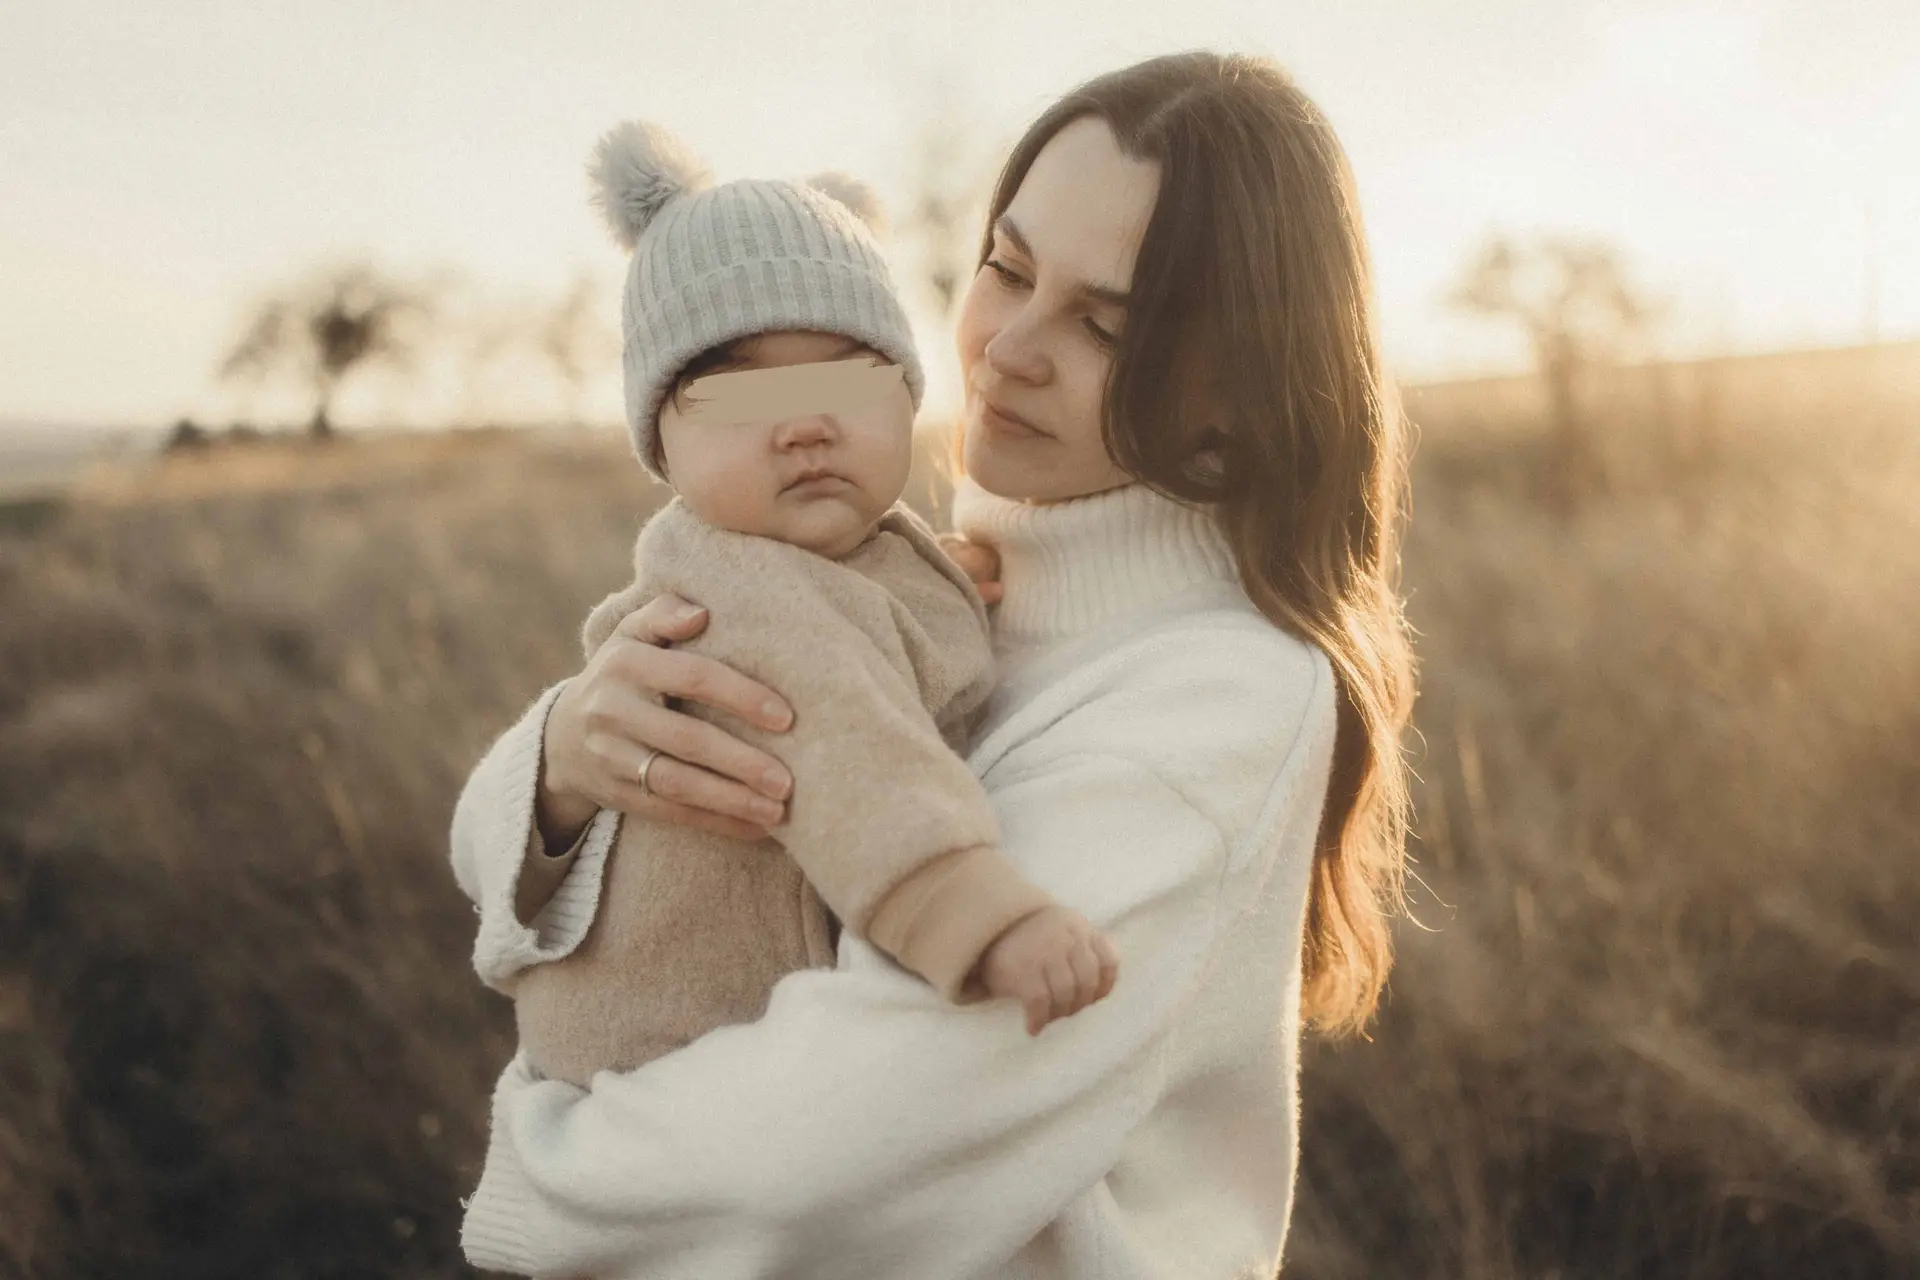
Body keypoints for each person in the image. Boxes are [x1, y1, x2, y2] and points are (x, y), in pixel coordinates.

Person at [449, 48, 1416, 1279]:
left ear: (1239, 387)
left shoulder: (1214, 699)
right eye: (1006, 268)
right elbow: (489, 861)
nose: (1008, 349)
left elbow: (830, 1158)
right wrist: (563, 763)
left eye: (1103, 324)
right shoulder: (918, 580)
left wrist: (537, 1171)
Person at [472, 117, 1122, 1096]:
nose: (805, 425)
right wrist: (984, 917)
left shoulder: (841, 558)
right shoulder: (734, 592)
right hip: (659, 1062)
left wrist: (932, 593)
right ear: (661, 446)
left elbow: (851, 622)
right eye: (738, 396)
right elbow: (851, 750)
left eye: (846, 376)